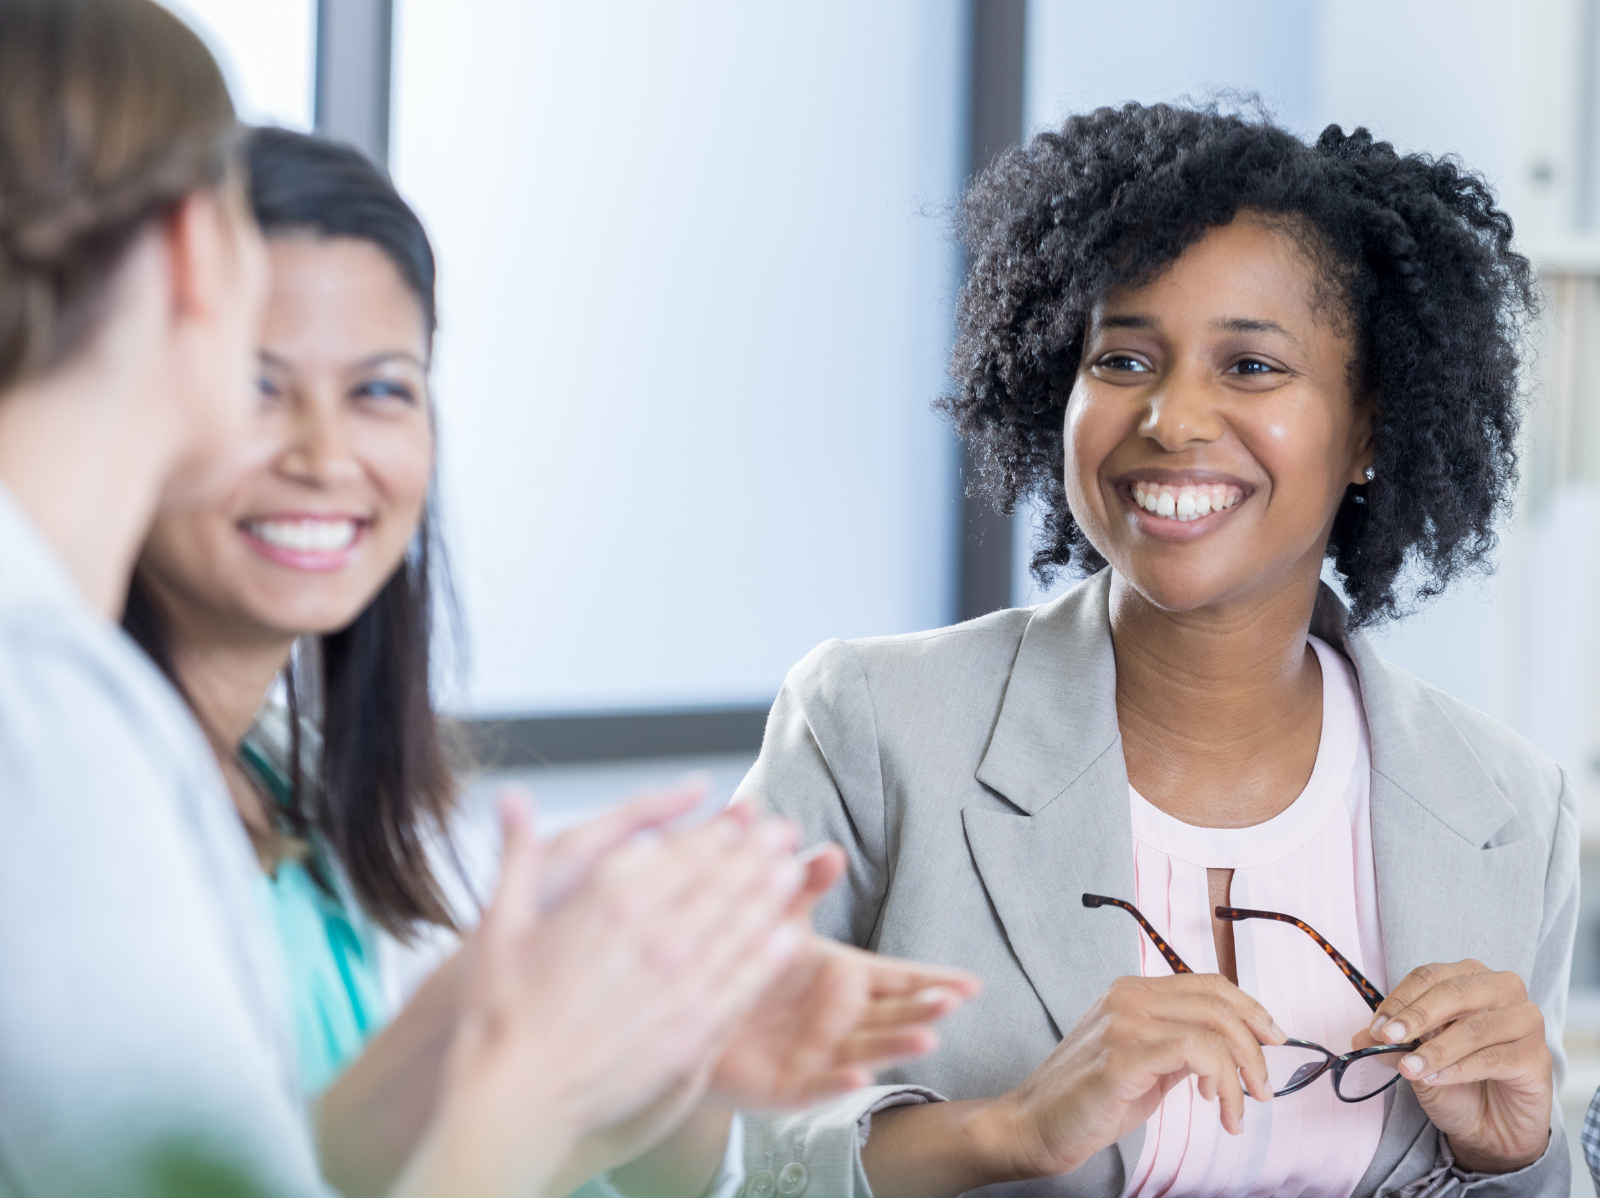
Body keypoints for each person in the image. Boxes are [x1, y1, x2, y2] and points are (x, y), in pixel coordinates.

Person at [0, 2, 900, 1194]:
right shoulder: (52, 718)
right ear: (193, 258)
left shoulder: (312, 794)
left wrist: (624, 1050)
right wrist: (526, 1075)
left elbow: (285, 1168)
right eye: (265, 381)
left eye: (381, 389)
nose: (322, 451)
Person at [737, 103, 1577, 1197]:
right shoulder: (870, 730)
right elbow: (720, 1151)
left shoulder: (1512, 808)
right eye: (1124, 358)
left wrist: (1509, 1156)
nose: (1173, 418)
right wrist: (1014, 1129)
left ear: (1369, 427)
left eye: (1251, 366)